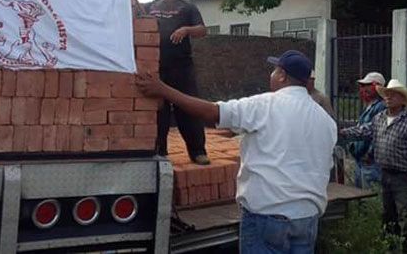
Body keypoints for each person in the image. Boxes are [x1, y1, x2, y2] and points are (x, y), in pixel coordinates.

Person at [136, 50, 337, 253]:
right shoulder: (326, 121)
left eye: (274, 71)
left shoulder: (265, 105)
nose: (272, 76)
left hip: (268, 216)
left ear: (283, 76)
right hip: (307, 219)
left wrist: (163, 90)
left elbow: (212, 112)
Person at [340, 79, 407, 253]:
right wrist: (342, 132)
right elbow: (365, 131)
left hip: (404, 176)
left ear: (403, 99)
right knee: (388, 215)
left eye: (393, 95)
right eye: (387, 94)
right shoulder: (379, 118)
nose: (388, 98)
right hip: (385, 173)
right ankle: (390, 248)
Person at [143, 0, 210, 165]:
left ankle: (198, 151)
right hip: (156, 68)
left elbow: (202, 30)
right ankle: (160, 152)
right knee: (159, 111)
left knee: (188, 108)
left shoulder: (188, 8)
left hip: (181, 68)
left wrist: (186, 30)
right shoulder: (150, 6)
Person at [344, 72, 386, 188]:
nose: (363, 89)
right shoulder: (368, 106)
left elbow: (377, 132)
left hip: (370, 162)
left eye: (367, 85)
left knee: (368, 195)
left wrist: (370, 154)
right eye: (362, 86)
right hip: (360, 160)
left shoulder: (380, 106)